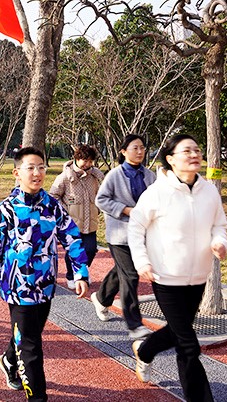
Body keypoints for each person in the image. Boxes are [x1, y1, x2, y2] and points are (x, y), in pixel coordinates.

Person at [0, 147, 89, 401]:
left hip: (45, 286)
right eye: (30, 168)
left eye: (41, 167)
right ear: (17, 173)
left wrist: (80, 273)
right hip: (18, 289)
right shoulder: (6, 209)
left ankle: (8, 360)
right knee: (31, 348)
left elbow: (71, 237)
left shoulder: (53, 206)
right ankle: (37, 398)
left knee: (29, 334)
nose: (37, 173)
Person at [128, 134, 227, 401]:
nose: (194, 154)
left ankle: (145, 351)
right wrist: (142, 261)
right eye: (187, 151)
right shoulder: (157, 193)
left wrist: (220, 242)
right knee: (188, 345)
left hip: (198, 278)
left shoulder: (209, 191)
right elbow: (136, 227)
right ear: (171, 159)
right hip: (166, 278)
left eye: (197, 150)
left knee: (177, 331)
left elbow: (219, 225)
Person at [92, 134, 156, 340]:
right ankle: (134, 324)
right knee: (130, 275)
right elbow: (101, 200)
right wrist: (125, 210)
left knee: (121, 270)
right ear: (123, 151)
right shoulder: (114, 175)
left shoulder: (150, 176)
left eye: (142, 147)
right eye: (135, 148)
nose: (140, 151)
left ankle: (101, 298)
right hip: (119, 235)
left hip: (142, 234)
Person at [49, 144, 104, 289]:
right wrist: (65, 211)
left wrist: (97, 208)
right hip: (72, 223)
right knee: (73, 250)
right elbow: (53, 196)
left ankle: (81, 271)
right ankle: (71, 275)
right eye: (85, 160)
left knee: (91, 249)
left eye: (90, 161)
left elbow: (100, 194)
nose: (87, 164)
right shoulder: (64, 177)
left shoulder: (95, 176)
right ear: (77, 158)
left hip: (90, 221)